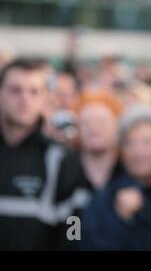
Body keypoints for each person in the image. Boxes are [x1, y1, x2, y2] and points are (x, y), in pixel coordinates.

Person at [0, 59, 90, 250]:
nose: (25, 98)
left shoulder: (63, 159)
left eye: (34, 92)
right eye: (16, 90)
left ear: (44, 99)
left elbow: (74, 226)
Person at [81, 106, 151, 250]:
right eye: (129, 143)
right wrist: (122, 221)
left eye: (146, 142)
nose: (138, 152)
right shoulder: (106, 198)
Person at [75, 90, 123, 190]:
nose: (93, 128)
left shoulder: (129, 172)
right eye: (86, 123)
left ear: (116, 127)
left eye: (101, 122)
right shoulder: (65, 170)